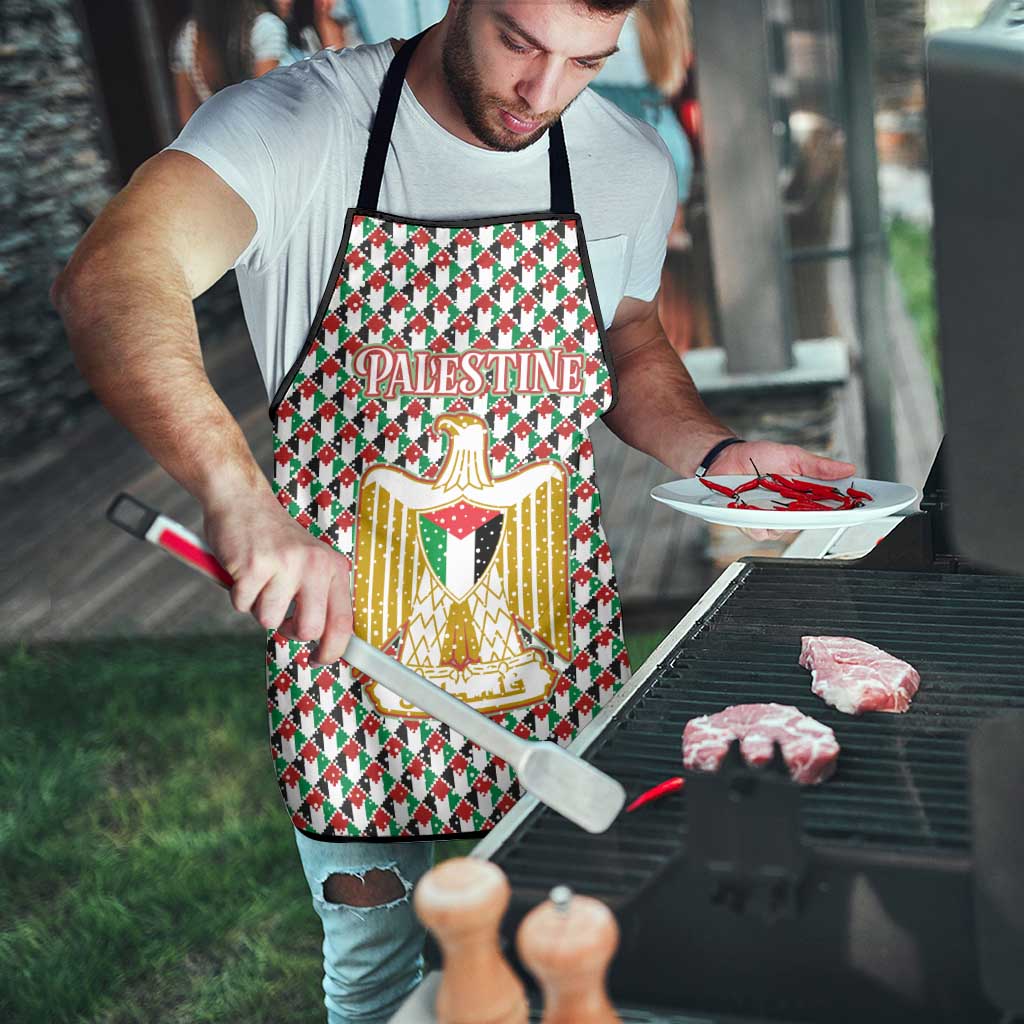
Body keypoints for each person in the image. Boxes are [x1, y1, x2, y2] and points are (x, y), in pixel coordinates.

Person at [53, 2, 856, 1020]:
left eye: (585, 62)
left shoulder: (623, 161)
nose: (543, 94)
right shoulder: (299, 126)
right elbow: (113, 275)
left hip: (548, 645)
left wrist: (717, 448)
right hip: (352, 663)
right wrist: (237, 495)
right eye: (521, 42)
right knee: (380, 977)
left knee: (572, 955)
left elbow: (629, 338)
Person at [170, 0, 288, 126]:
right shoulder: (265, 27)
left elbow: (187, 120)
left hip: (215, 139)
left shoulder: (188, 37)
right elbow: (266, 107)